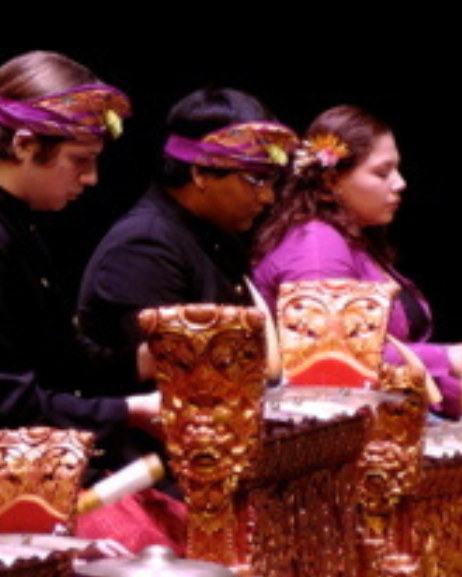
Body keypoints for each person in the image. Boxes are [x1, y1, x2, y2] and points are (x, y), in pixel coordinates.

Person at [0, 51, 159, 498]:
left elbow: (59, 354)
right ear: (23, 144)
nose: (91, 178)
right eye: (80, 160)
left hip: (29, 467)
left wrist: (141, 362)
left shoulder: (10, 221)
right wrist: (129, 410)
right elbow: (4, 405)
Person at [77, 88, 297, 392]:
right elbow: (174, 378)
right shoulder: (144, 247)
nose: (268, 197)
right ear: (200, 173)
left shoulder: (216, 232)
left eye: (272, 182)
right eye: (256, 179)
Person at [253, 105, 462, 418]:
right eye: (382, 172)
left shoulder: (352, 236)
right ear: (330, 181)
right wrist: (447, 358)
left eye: (397, 169)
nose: (400, 183)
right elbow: (330, 357)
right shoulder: (316, 248)